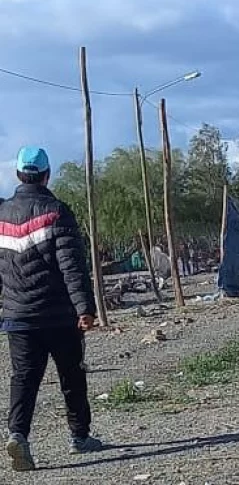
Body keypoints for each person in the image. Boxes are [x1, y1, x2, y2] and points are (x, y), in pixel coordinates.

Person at [0, 146, 102, 472]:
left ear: (18, 174)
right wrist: (85, 308)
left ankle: (18, 434)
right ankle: (79, 436)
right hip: (58, 316)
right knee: (72, 376)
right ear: (46, 175)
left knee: (24, 379)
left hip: (18, 318)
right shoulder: (57, 212)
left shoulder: (1, 216)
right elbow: (73, 266)